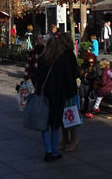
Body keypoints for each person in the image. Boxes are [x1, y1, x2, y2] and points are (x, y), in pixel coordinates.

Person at [35, 33, 78, 161]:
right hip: (59, 96)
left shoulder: (42, 59)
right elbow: (68, 78)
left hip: (45, 95)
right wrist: (70, 92)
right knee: (55, 123)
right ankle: (54, 151)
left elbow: (38, 78)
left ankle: (48, 150)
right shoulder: (63, 59)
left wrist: (38, 91)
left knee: (44, 123)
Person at [79, 52, 99, 117]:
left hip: (90, 83)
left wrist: (87, 75)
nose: (90, 64)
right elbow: (81, 74)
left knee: (88, 97)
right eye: (89, 62)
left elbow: (96, 75)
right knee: (83, 97)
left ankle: (88, 110)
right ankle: (83, 109)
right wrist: (83, 75)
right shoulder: (84, 65)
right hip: (84, 83)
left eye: (92, 62)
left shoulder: (95, 66)